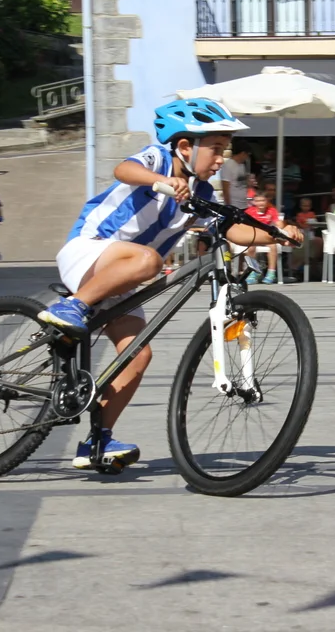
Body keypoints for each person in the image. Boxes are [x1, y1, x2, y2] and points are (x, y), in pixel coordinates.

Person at [37, 98, 302, 470]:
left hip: (124, 278)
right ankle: (72, 306)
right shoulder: (158, 159)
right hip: (88, 251)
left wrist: (277, 235)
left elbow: (233, 230)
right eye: (215, 149)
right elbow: (122, 169)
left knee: (138, 355)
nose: (221, 159)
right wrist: (161, 181)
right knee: (150, 261)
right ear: (185, 147)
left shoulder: (202, 194)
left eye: (225, 151)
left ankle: (97, 441)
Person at [243, 192, 280, 285]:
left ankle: (271, 273)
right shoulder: (249, 211)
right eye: (258, 201)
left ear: (267, 201)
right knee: (251, 247)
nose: (260, 203)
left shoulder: (272, 210)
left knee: (273, 246)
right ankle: (253, 272)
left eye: (263, 200)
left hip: (267, 235)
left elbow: (278, 223)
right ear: (254, 202)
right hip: (254, 235)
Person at [220, 141, 250, 209]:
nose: (247, 157)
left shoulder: (242, 165)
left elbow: (242, 183)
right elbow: (225, 188)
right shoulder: (228, 166)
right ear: (243, 153)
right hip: (234, 205)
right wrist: (228, 206)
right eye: (247, 155)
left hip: (244, 205)